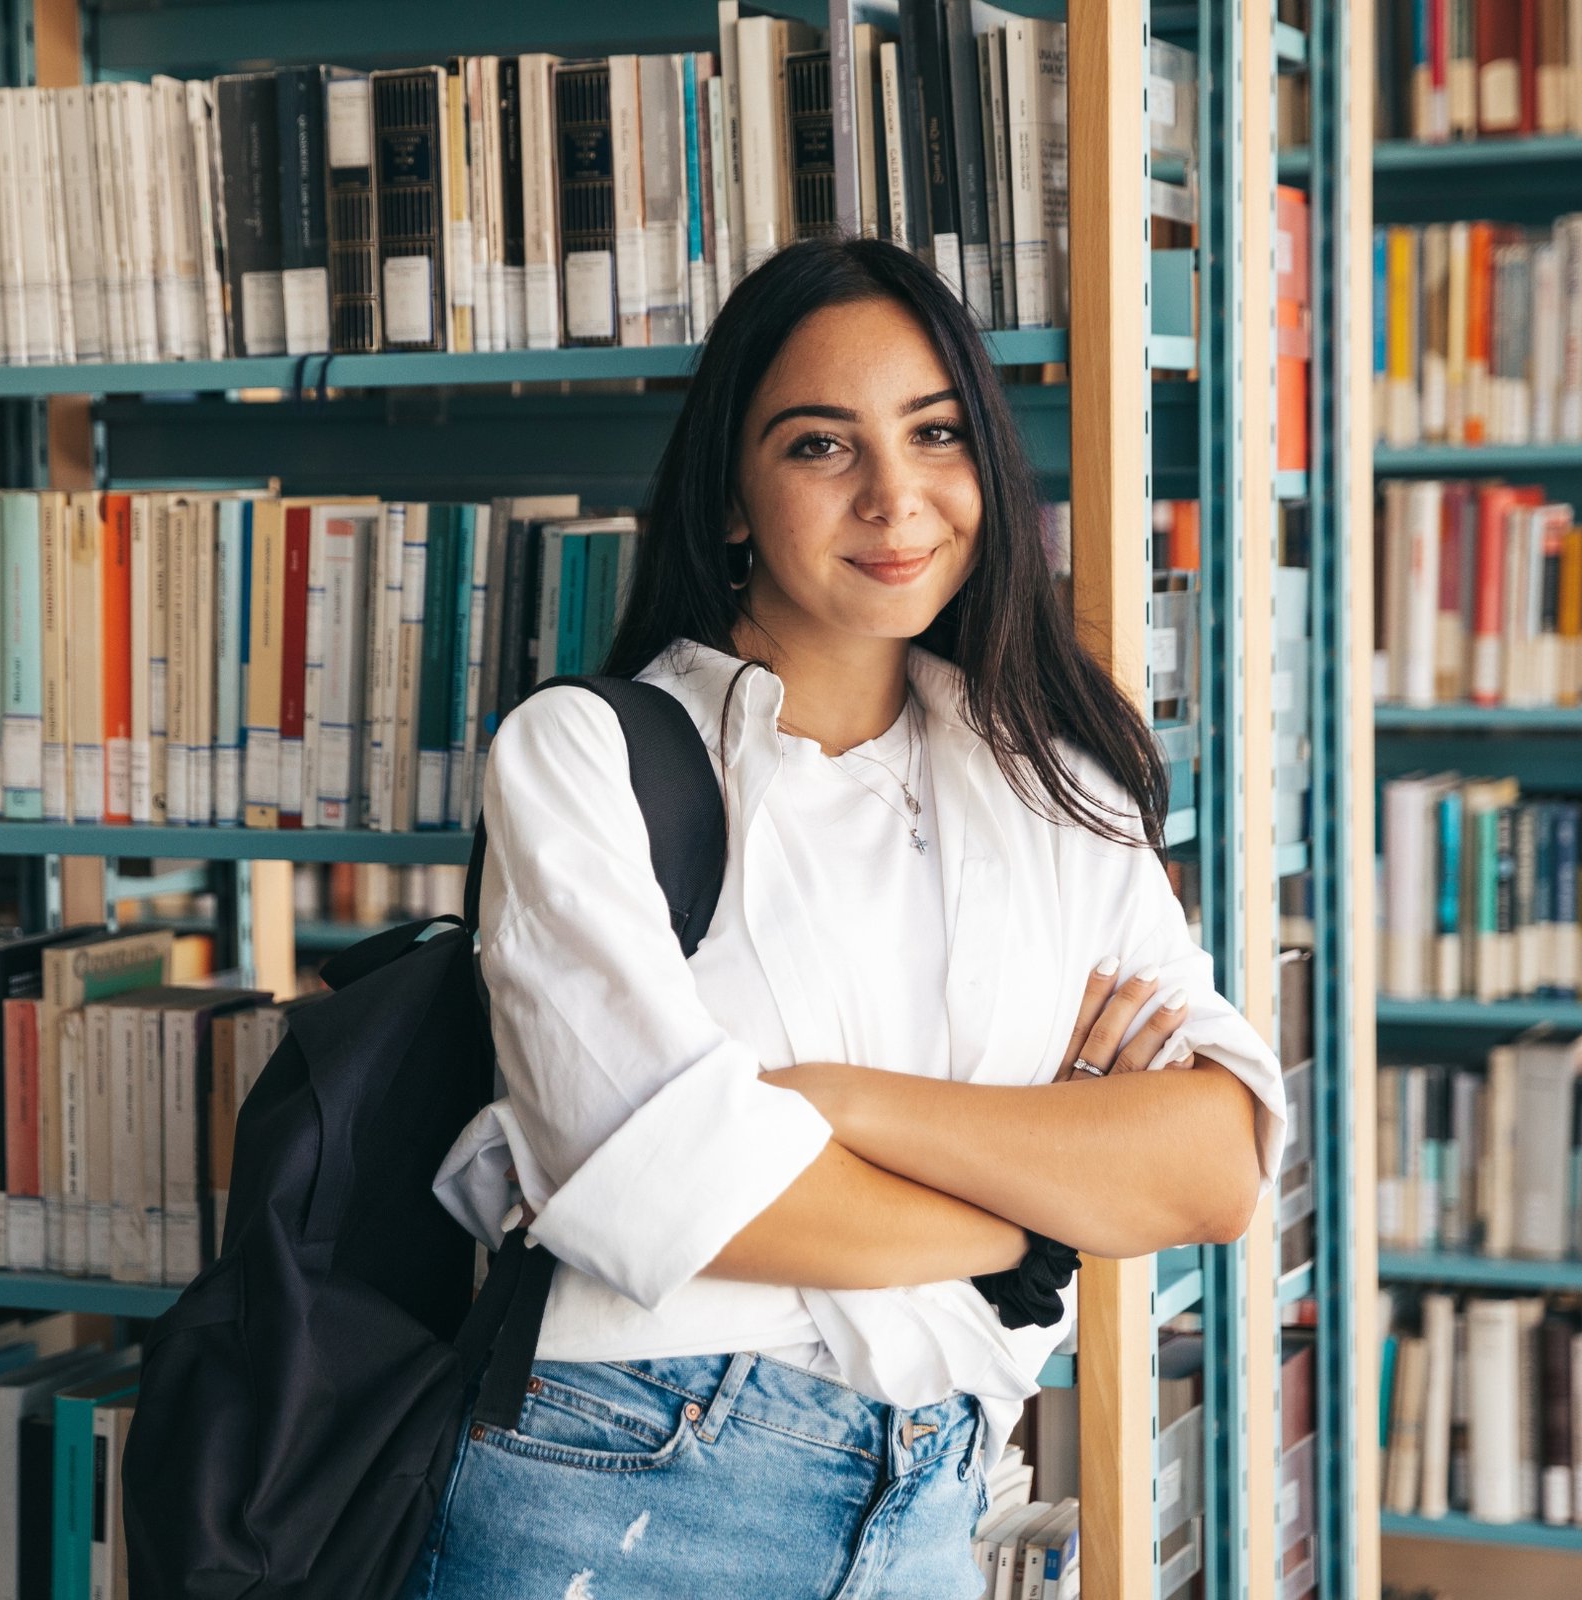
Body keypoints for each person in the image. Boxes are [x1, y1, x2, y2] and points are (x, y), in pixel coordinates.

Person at [409, 236, 1286, 1600]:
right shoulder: (581, 756)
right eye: (822, 446)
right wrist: (1037, 1217)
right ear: (736, 499)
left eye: (935, 435)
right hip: (621, 1490)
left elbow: (1213, 1165)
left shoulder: (1052, 784)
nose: (896, 497)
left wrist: (832, 1106)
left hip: (929, 1504)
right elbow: (680, 1193)